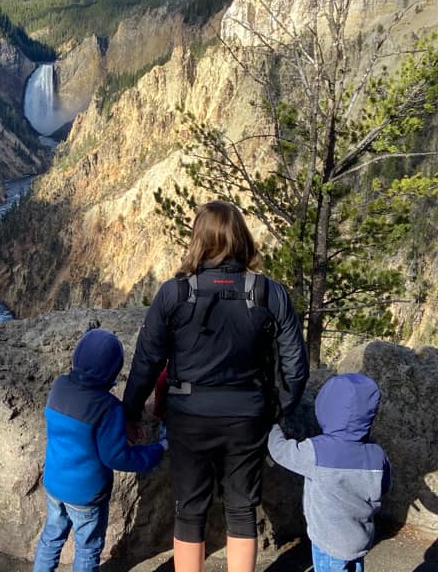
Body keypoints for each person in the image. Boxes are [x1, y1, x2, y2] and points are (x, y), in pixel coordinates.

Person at [122, 200, 308, 572]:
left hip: (188, 417)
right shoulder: (270, 293)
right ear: (241, 238)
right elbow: (295, 365)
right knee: (242, 508)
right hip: (247, 416)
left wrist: (130, 410)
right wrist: (279, 409)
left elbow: (147, 361)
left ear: (198, 239)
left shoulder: (173, 293)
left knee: (189, 509)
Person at [33, 327, 166, 572]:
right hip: (86, 496)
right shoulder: (109, 408)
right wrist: (156, 451)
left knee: (50, 538)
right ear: (112, 374)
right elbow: (116, 456)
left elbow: (82, 409)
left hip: (54, 484)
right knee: (87, 548)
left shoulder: (59, 386)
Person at [268, 373, 391, 572]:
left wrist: (271, 426)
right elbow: (384, 487)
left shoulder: (318, 451)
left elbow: (281, 452)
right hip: (360, 537)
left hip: (328, 541)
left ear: (326, 408)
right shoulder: (377, 454)